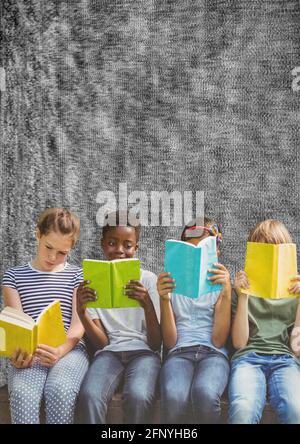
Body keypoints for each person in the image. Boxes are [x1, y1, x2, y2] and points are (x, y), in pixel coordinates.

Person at [2, 208, 88, 424]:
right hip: (31, 354)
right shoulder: (14, 277)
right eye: (48, 247)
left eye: (62, 253)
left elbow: (78, 326)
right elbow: (17, 327)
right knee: (23, 394)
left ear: (71, 249)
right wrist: (20, 355)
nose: (52, 257)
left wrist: (60, 351)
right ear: (38, 234)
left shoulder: (77, 275)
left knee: (60, 390)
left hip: (70, 350)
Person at [76, 210, 161, 424]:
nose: (120, 250)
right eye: (112, 243)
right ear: (103, 244)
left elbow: (155, 343)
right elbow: (102, 342)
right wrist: (81, 312)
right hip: (109, 353)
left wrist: (147, 305)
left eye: (127, 245)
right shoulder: (93, 281)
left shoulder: (148, 280)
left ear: (136, 248)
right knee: (90, 395)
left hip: (144, 353)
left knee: (139, 396)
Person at [157, 217, 231, 424]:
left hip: (213, 354)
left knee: (205, 394)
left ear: (216, 251)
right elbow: (170, 343)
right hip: (179, 353)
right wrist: (164, 299)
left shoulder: (221, 285)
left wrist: (226, 293)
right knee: (173, 397)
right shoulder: (172, 285)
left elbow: (218, 340)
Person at [228, 219, 300, 424]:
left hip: (285, 361)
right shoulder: (243, 289)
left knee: (295, 409)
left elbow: (297, 349)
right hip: (248, 359)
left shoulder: (294, 290)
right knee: (243, 408)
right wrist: (242, 296)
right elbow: (239, 344)